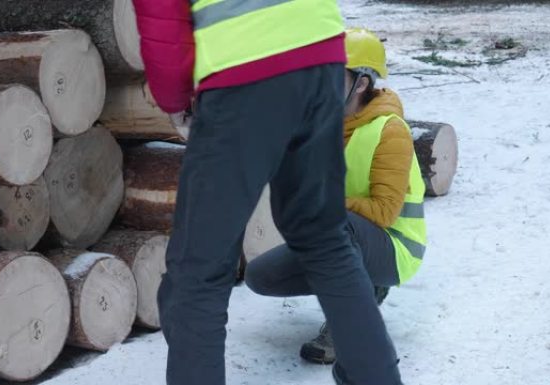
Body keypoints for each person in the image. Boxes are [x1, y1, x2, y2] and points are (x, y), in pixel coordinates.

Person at [131, 1, 404, 384]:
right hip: (321, 58)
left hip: (242, 73)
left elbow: (162, 16)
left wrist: (175, 101)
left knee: (198, 270)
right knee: (325, 242)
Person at [244, 28, 427, 365]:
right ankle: (363, 289)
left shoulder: (389, 130)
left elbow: (385, 213)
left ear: (361, 84)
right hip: (344, 238)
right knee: (260, 276)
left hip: (395, 247)